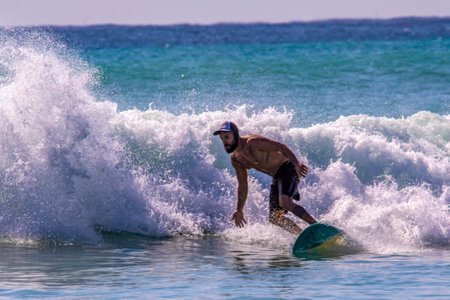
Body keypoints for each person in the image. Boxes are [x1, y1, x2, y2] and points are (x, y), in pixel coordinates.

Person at [213, 121, 317, 235]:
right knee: (274, 218)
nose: (224, 142)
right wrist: (239, 210)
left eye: (227, 137)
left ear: (235, 134)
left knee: (285, 203)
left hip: (288, 167)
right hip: (277, 176)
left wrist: (297, 165)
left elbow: (281, 147)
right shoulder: (236, 159)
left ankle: (316, 227)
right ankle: (303, 235)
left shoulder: (252, 143)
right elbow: (243, 185)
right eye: (222, 138)